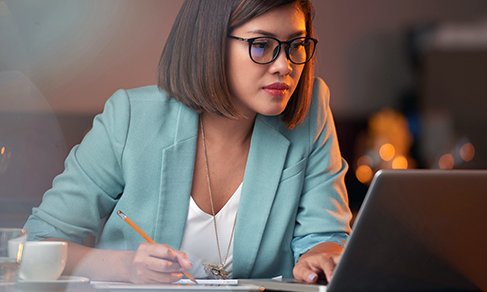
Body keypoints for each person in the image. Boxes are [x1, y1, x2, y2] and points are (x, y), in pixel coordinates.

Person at [24, 0, 352, 284]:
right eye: (261, 45)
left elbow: (325, 236)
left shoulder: (310, 114)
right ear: (209, 44)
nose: (285, 66)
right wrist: (126, 267)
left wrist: (321, 257)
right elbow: (38, 246)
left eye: (296, 44)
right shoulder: (131, 118)